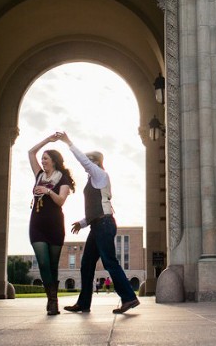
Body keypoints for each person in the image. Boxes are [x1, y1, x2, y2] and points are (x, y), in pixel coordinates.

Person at [57, 131, 140, 314]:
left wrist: (68, 142)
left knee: (109, 262)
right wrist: (82, 223)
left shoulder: (100, 174)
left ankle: (129, 298)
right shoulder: (94, 180)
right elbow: (98, 207)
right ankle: (83, 303)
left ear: (96, 162)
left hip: (103, 225)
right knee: (87, 264)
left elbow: (84, 162)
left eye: (89, 160)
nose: (86, 164)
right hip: (97, 225)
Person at [27, 133, 75, 315]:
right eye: (42, 159)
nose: (42, 161)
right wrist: (47, 140)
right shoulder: (39, 175)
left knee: (53, 266)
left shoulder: (63, 179)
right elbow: (31, 152)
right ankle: (52, 300)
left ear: (54, 161)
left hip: (55, 226)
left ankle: (52, 301)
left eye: (46, 158)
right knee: (43, 263)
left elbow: (61, 201)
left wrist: (48, 191)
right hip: (37, 225)